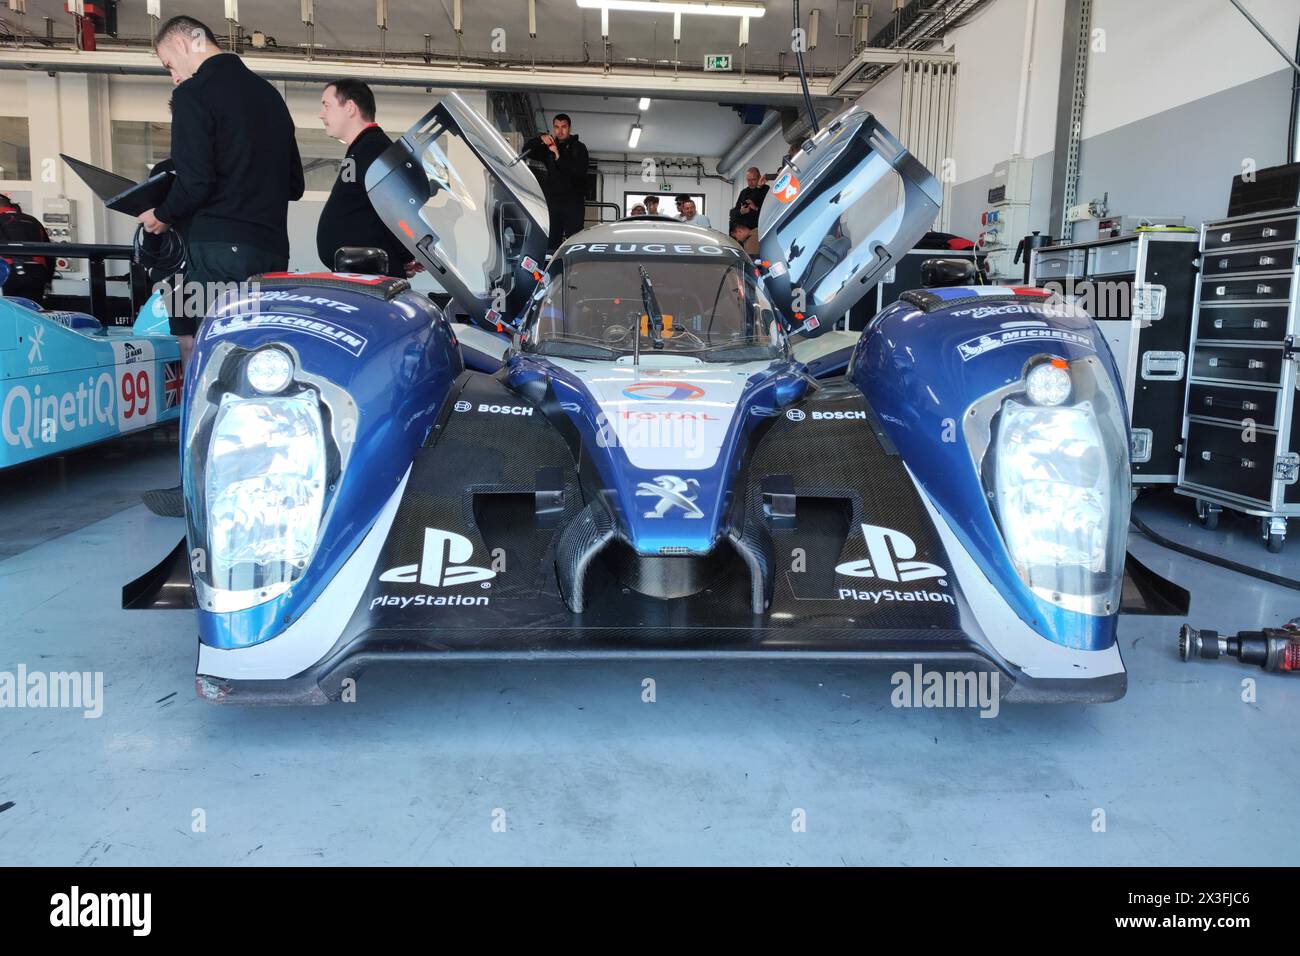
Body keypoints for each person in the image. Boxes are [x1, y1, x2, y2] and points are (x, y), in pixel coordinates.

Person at [137, 14, 304, 517]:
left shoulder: (194, 95)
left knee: (202, 354)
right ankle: (259, 479)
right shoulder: (269, 95)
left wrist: (160, 216)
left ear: (191, 41)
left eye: (170, 64)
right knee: (255, 361)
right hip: (271, 251)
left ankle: (198, 487)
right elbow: (295, 184)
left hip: (212, 252)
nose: (173, 77)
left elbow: (194, 182)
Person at [315, 79, 416, 278]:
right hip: (363, 273)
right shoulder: (363, 148)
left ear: (350, 107)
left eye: (327, 105)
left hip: (371, 277)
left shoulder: (373, 148)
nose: (321, 114)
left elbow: (392, 206)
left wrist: (406, 256)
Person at [524, 114, 589, 251]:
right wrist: (540, 139)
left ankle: (576, 270)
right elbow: (526, 150)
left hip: (573, 202)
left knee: (574, 241)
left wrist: (558, 156)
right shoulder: (549, 147)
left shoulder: (579, 148)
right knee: (551, 241)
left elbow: (578, 173)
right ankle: (550, 271)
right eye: (556, 127)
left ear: (569, 128)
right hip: (553, 201)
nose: (560, 131)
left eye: (563, 127)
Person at [0, 193, 52, 305]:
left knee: (10, 314)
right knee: (33, 313)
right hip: (37, 273)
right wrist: (48, 280)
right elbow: (50, 252)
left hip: (8, 272)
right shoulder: (33, 220)